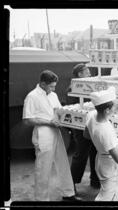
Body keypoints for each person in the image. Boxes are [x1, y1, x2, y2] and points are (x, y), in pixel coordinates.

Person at [22, 70, 81, 201]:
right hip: (43, 133)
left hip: (56, 131)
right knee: (43, 168)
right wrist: (49, 122)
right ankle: (41, 199)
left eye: (54, 86)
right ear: (43, 83)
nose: (54, 88)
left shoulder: (53, 95)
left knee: (63, 162)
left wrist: (66, 118)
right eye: (51, 86)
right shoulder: (32, 96)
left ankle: (68, 194)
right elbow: (27, 120)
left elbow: (58, 111)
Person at [65, 63, 101, 192]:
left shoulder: (89, 87)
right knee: (81, 154)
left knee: (95, 152)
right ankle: (71, 185)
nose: (90, 74)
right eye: (87, 72)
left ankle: (95, 180)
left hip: (92, 125)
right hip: (80, 128)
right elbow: (75, 110)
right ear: (80, 74)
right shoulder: (72, 89)